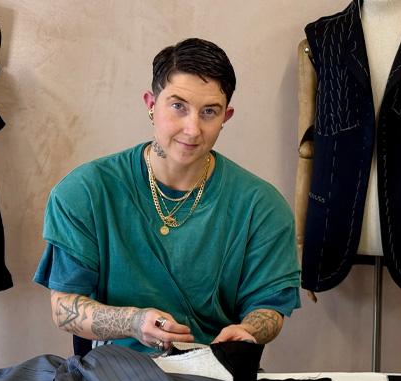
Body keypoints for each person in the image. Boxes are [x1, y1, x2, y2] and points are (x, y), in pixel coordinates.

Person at [34, 38, 301, 355]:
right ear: (151, 103)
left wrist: (247, 331)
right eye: (178, 106)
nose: (192, 129)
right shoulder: (85, 191)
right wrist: (133, 322)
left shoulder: (262, 206)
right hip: (113, 377)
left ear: (225, 117)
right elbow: (64, 307)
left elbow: (269, 305)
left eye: (209, 112)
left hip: (214, 378)